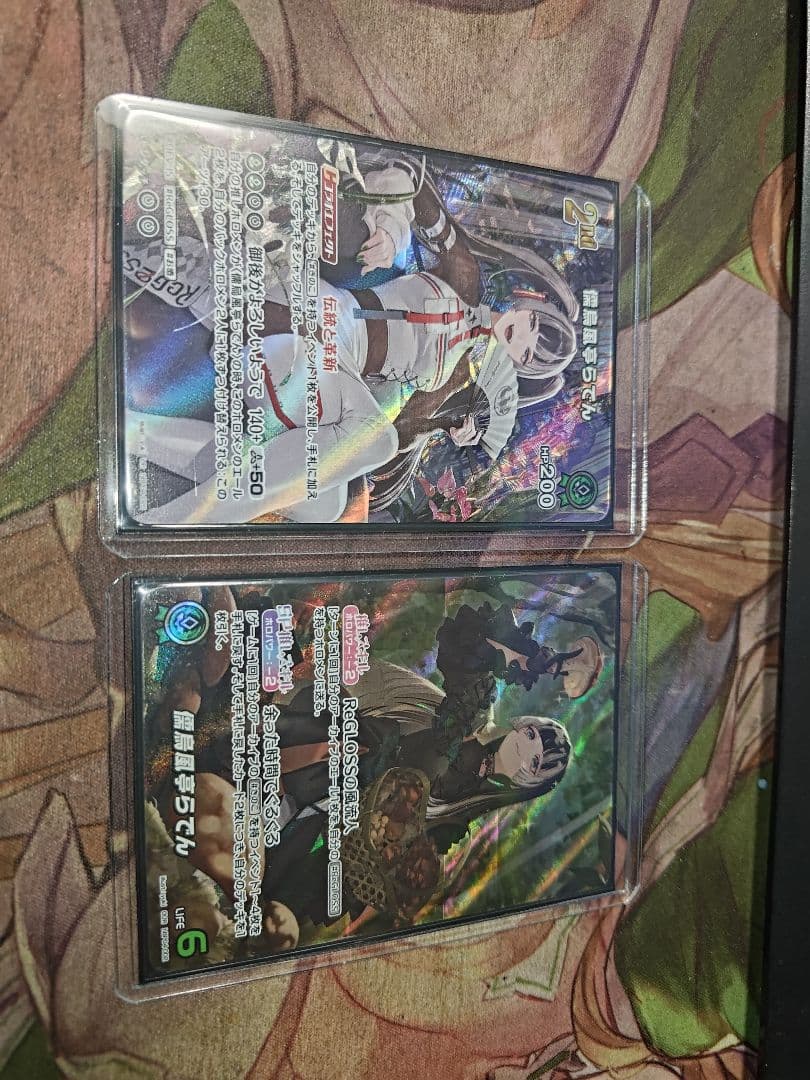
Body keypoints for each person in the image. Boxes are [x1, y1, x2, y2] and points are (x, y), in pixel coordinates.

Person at [125, 147, 580, 525]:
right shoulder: (465, 277)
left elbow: (394, 430)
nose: (519, 338)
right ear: (529, 304)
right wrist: (392, 228)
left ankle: (139, 440)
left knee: (324, 504)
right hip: (310, 311)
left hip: (317, 370)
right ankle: (177, 516)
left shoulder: (458, 377)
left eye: (526, 354)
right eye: (533, 325)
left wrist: (445, 425)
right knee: (364, 448)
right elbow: (412, 179)